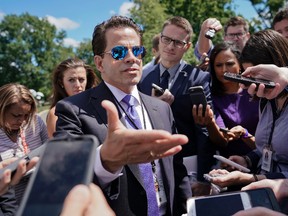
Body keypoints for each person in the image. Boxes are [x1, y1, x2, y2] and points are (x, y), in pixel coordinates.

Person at [54, 15, 191, 216]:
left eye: (137, 50)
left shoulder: (161, 108)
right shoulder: (72, 110)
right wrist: (105, 161)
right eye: (119, 52)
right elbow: (65, 179)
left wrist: (187, 210)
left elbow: (177, 171)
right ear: (99, 63)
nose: (131, 58)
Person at [138, 16, 215, 187]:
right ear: (160, 39)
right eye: (166, 39)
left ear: (187, 47)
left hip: (188, 167)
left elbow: (204, 130)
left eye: (178, 42)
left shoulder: (199, 78)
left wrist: (203, 178)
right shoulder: (141, 78)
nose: (170, 46)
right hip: (151, 165)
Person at [208, 30, 288, 193]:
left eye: (257, 76)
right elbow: (266, 149)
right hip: (265, 197)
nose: (252, 86)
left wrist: (249, 178)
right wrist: (247, 160)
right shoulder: (266, 101)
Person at [193, 42, 258, 158]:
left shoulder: (256, 92)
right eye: (218, 65)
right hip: (229, 164)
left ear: (240, 65)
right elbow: (222, 141)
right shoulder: (211, 97)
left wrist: (245, 134)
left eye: (229, 64)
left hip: (263, 162)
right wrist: (210, 123)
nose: (224, 69)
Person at [0, 83, 48, 214]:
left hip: (42, 197)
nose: (22, 120)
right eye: (16, 115)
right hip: (12, 205)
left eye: (26, 115)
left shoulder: (36, 122)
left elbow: (50, 151)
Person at [46, 58, 99, 138]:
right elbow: (58, 148)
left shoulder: (99, 104)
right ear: (61, 83)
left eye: (81, 79)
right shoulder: (55, 114)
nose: (77, 85)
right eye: (71, 80)